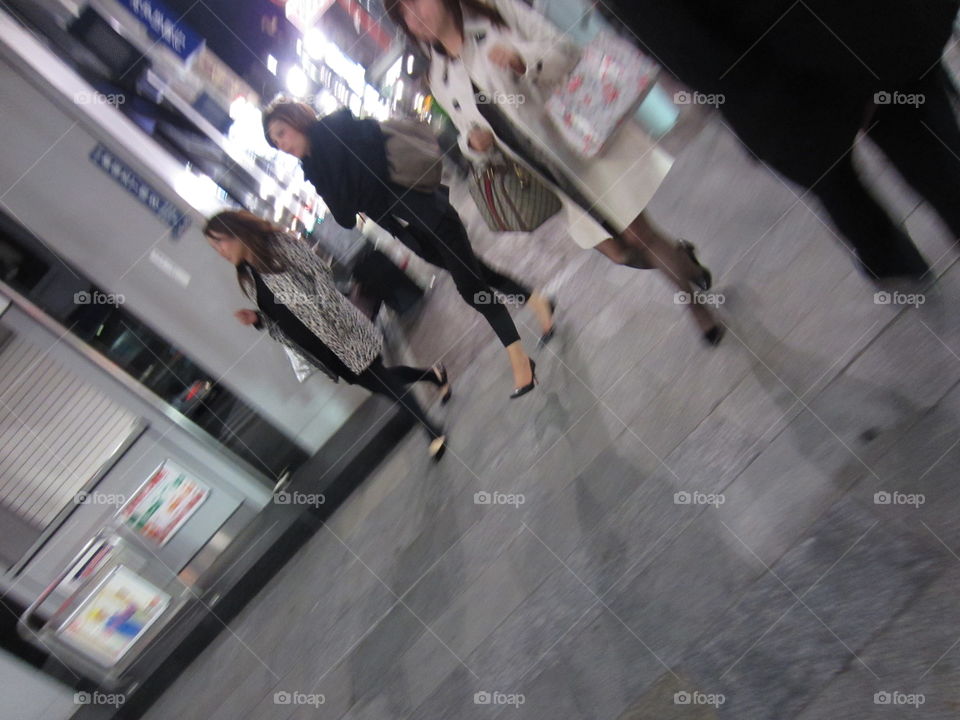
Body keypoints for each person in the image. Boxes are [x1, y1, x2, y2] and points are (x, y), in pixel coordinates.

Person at [385, 0, 724, 345]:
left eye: (415, 3)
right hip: (549, 174)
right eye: (403, 16)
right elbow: (466, 131)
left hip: (581, 143)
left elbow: (565, 52)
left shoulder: (495, 12)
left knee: (638, 236)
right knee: (619, 251)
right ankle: (683, 261)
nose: (414, 18)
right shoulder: (438, 78)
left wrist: (524, 60)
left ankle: (698, 308)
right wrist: (475, 144)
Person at [595, 0, 960, 281]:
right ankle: (888, 258)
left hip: (853, 42)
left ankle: (889, 260)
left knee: (925, 160)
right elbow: (691, 52)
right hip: (801, 75)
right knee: (870, 173)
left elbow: (688, 52)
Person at [262, 100, 552, 398]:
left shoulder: (340, 128)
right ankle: (538, 300)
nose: (281, 144)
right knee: (479, 272)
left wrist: (348, 189)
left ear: (296, 120)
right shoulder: (314, 169)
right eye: (275, 141)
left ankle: (520, 360)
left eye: (282, 133)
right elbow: (345, 218)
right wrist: (341, 184)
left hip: (429, 211)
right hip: (408, 232)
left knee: (470, 287)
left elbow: (369, 178)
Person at [203, 210, 450, 461]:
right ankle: (433, 374)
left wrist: (327, 313)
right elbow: (281, 316)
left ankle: (431, 429)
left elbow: (319, 272)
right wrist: (258, 319)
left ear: (236, 233)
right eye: (214, 247)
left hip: (340, 330)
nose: (220, 251)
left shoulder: (277, 245)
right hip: (319, 350)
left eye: (219, 242)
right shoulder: (247, 279)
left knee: (382, 381)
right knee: (379, 382)